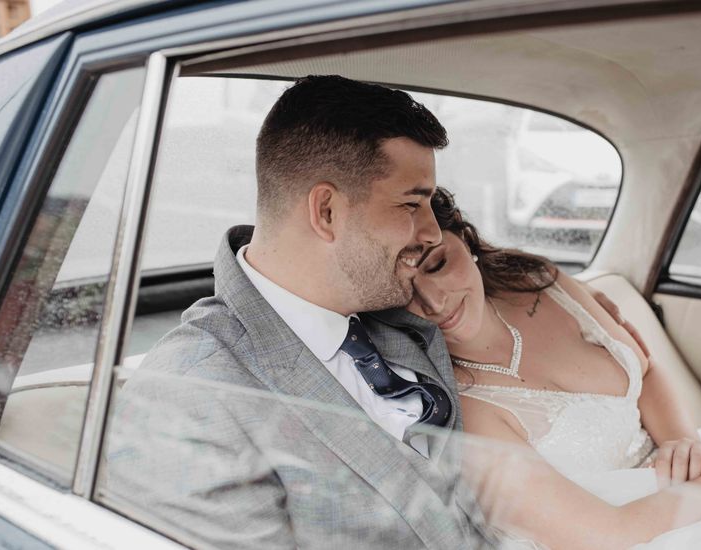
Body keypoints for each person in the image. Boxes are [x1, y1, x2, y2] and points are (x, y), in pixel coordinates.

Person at [106, 75, 486, 549]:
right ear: (326, 211)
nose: (432, 232)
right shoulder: (191, 397)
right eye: (411, 203)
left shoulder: (395, 310)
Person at [405, 188, 701, 550]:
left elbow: (644, 370)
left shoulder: (539, 282)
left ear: (463, 239)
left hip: (695, 478)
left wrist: (683, 442)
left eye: (438, 264)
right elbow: (607, 534)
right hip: (637, 533)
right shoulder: (467, 410)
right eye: (404, 292)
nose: (433, 302)